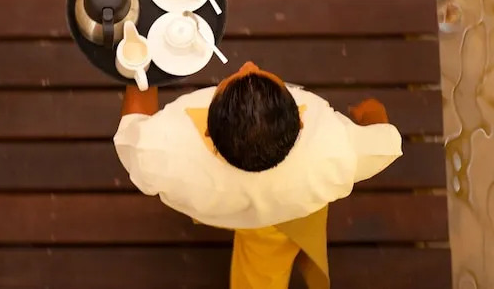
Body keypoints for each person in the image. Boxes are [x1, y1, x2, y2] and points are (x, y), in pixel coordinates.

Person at [114, 61, 402, 289]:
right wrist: (371, 113)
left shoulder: (162, 154)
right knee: (263, 274)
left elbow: (133, 132)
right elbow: (386, 142)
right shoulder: (338, 149)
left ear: (208, 131)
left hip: (210, 205)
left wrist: (139, 60)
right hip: (286, 216)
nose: (248, 65)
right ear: (301, 123)